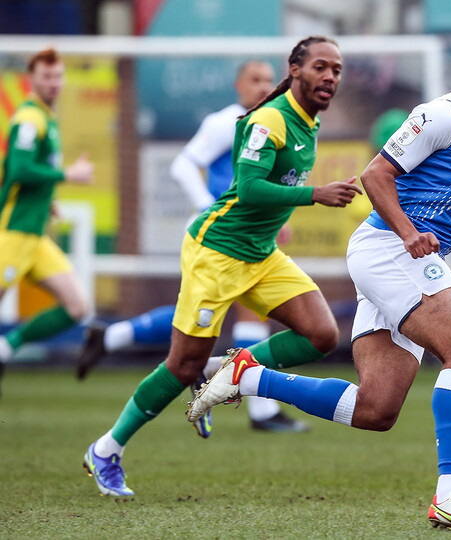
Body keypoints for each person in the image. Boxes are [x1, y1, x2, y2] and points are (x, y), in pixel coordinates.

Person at [187, 28, 451, 530]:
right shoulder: (440, 116)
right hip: (389, 250)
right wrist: (410, 233)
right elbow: (376, 175)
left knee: (376, 409)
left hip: (405, 258)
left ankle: (248, 376)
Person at [83, 36, 362, 497]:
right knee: (179, 364)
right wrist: (315, 193)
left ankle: (222, 374)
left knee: (322, 334)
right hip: (217, 253)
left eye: (336, 69)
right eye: (320, 66)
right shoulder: (269, 119)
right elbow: (249, 189)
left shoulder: (308, 122)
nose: (330, 76)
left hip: (260, 253)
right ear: (294, 69)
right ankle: (106, 449)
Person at [75, 60, 308, 434]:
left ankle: (113, 337)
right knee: (202, 318)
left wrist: (277, 222)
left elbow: (265, 184)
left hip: (247, 237)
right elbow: (184, 164)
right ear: (238, 85)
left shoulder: (275, 123)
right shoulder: (226, 122)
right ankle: (253, 408)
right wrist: (206, 205)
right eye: (255, 79)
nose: (263, 86)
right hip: (216, 237)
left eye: (268, 79)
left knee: (232, 317)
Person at [0, 48, 94, 396]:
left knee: (77, 307)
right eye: (46, 77)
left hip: (35, 237)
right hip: (12, 232)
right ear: (32, 79)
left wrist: (48, 200)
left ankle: (6, 347)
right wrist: (68, 174)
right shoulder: (29, 119)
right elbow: (20, 169)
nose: (54, 83)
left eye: (58, 76)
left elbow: (32, 175)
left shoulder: (46, 117)